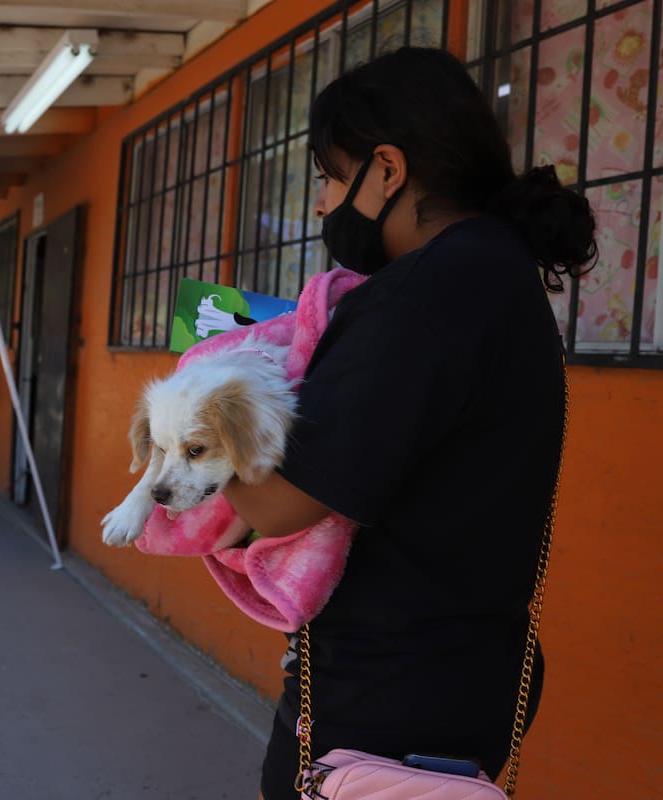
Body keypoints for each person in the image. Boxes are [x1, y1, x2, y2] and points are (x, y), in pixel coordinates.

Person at [218, 48, 597, 800]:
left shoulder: (423, 295)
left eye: (329, 176)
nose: (322, 205)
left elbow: (283, 499)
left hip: (387, 699)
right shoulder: (499, 274)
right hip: (467, 674)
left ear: (387, 170)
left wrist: (201, 432)